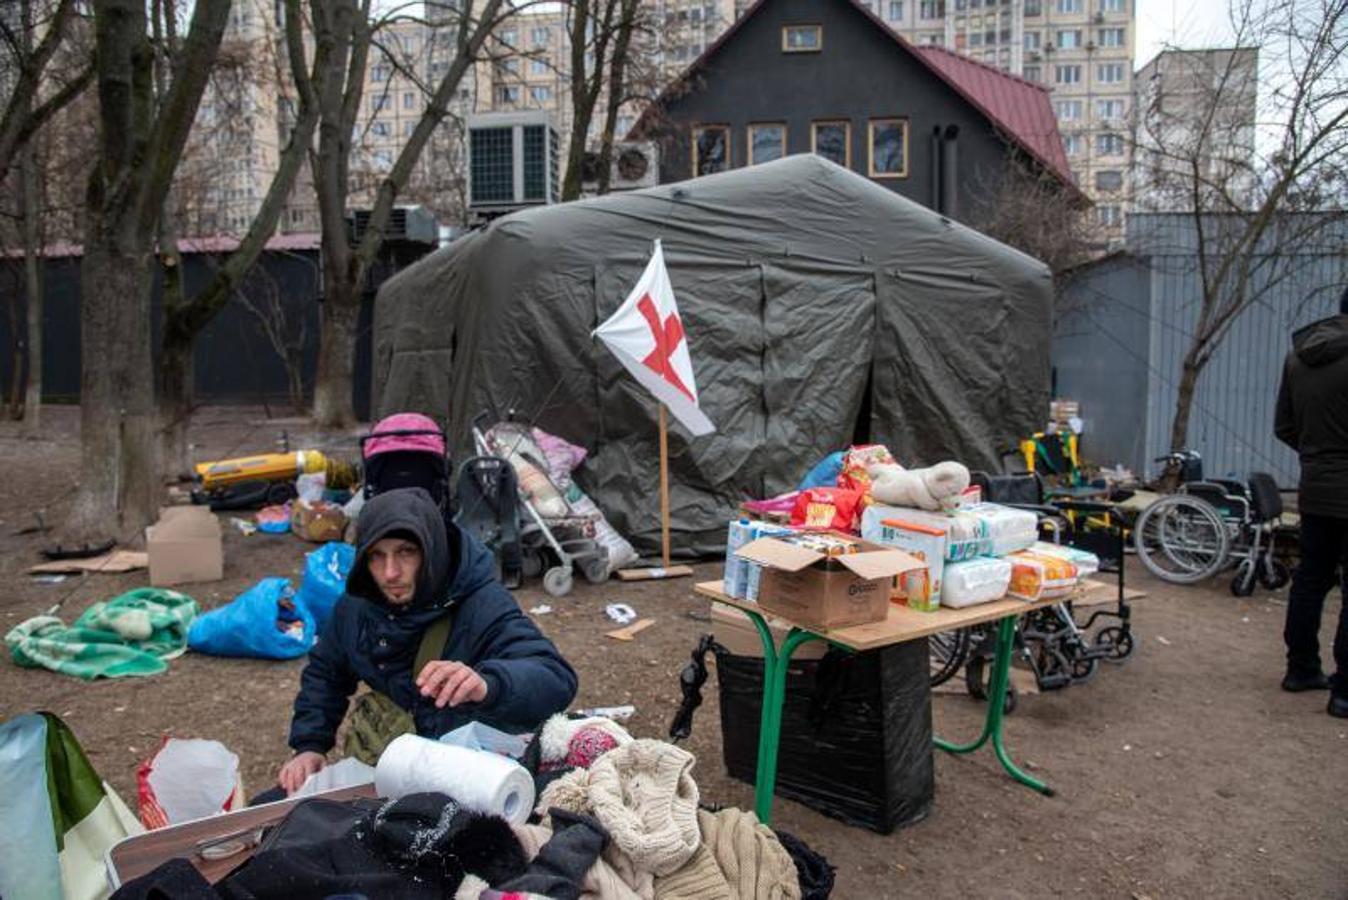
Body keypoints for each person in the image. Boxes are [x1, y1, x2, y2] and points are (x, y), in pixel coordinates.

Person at [276, 486, 577, 793]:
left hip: (471, 773)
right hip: (398, 762)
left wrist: (488, 684)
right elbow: (326, 672)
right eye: (377, 556)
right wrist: (309, 745)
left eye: (406, 552)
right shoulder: (357, 605)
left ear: (432, 550)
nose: (390, 573)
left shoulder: (482, 603)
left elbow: (556, 678)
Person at [1274, 287, 1348, 718]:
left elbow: (1284, 425)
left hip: (1315, 486)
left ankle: (1301, 667)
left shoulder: (1298, 358)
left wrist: (1316, 454)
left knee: (1310, 578)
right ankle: (1344, 690)